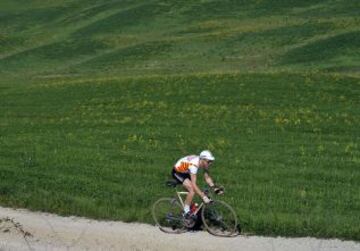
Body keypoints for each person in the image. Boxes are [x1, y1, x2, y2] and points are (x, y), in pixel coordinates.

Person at [171, 150, 224, 218]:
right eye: (209, 161)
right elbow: (194, 184)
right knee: (192, 190)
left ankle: (188, 207)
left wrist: (214, 187)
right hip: (177, 172)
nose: (210, 163)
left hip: (186, 171)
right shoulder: (194, 165)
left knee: (193, 192)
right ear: (202, 160)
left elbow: (207, 177)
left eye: (211, 161)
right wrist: (203, 196)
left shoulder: (203, 163)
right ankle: (185, 211)